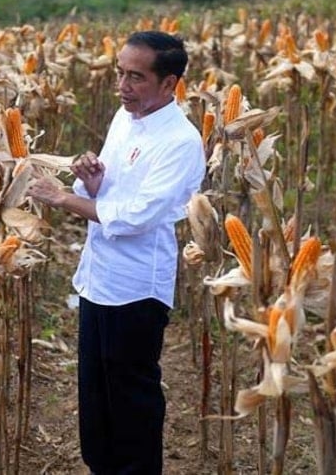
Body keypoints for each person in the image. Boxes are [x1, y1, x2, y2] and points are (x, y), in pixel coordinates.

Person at [28, 31, 206, 474]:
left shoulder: (182, 142)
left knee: (132, 400)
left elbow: (136, 217)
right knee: (95, 396)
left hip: (136, 289)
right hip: (96, 279)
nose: (123, 87)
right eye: (120, 74)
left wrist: (63, 199)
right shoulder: (124, 117)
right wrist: (90, 180)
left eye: (136, 77)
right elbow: (109, 194)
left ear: (169, 84)